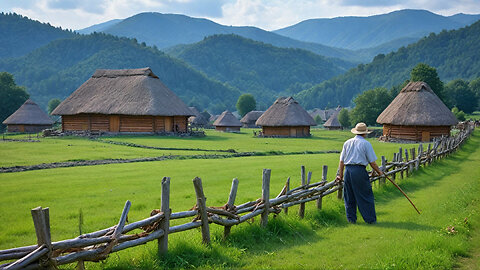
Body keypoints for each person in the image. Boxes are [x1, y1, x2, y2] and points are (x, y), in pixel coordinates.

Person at [335, 122, 384, 224]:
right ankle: (370, 220)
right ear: (365, 133)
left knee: (349, 196)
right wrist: (379, 172)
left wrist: (340, 175)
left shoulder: (347, 143)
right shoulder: (366, 144)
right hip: (359, 171)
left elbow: (341, 161)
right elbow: (372, 162)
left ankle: (351, 220)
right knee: (365, 195)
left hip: (348, 171)